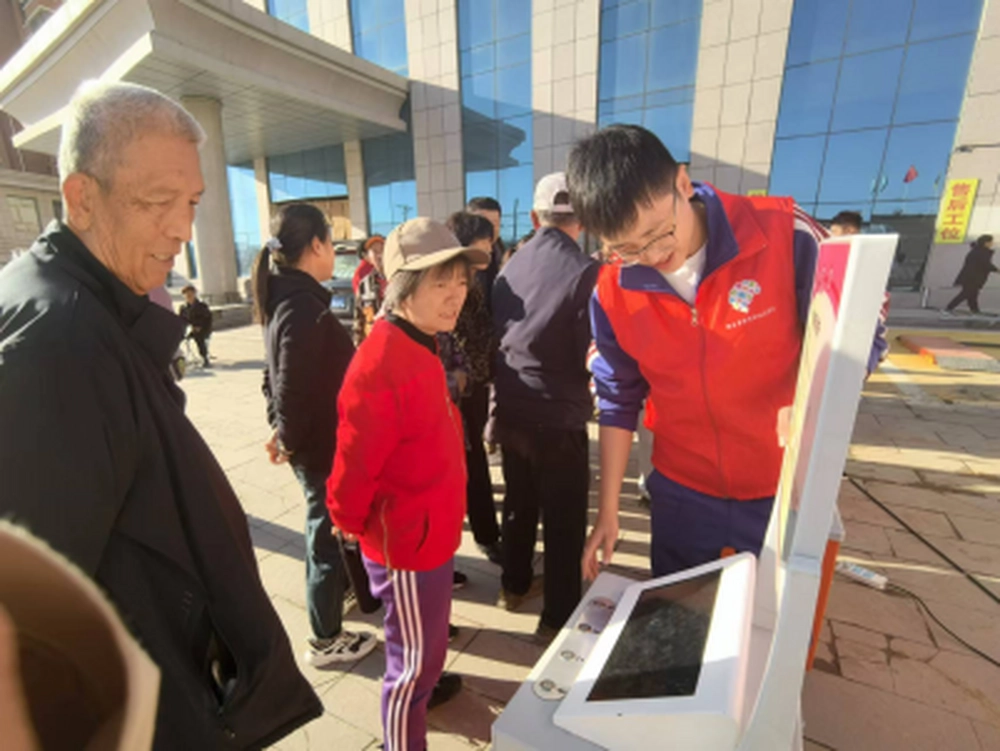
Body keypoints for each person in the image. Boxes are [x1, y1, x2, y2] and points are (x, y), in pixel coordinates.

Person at [0, 81, 321, 748]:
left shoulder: (86, 304)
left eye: (193, 202)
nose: (182, 228)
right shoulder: (61, 341)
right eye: (157, 202)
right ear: (81, 198)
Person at [569, 124, 885, 581]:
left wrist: (814, 401)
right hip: (681, 490)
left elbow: (863, 329)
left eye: (659, 234)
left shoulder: (783, 233)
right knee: (681, 608)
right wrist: (608, 509)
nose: (653, 257)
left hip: (782, 485)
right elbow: (618, 396)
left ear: (682, 183)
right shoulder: (612, 288)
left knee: (771, 613)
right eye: (626, 249)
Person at [327, 218, 489, 751]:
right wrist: (346, 519)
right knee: (412, 668)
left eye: (461, 281)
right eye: (440, 283)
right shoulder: (380, 360)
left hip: (429, 534)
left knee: (428, 656)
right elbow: (353, 461)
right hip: (406, 546)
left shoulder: (421, 341)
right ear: (401, 287)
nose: (456, 295)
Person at [253, 204, 378, 668]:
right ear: (316, 246)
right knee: (323, 539)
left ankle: (337, 600)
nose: (334, 256)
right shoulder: (303, 306)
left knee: (325, 533)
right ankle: (325, 638)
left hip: (313, 443)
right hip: (321, 448)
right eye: (331, 245)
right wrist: (285, 436)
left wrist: (280, 428)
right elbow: (290, 383)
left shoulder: (287, 298)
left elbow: (271, 377)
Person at [492, 172, 600, 642]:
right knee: (564, 519)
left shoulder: (510, 266)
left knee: (518, 502)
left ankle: (512, 585)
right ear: (583, 220)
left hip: (513, 407)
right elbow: (588, 351)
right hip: (559, 415)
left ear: (536, 219)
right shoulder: (586, 272)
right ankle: (557, 616)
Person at [446, 211, 503, 564]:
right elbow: (453, 335)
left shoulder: (475, 275)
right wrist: (461, 374)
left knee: (471, 458)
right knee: (470, 460)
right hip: (461, 386)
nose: (491, 248)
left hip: (474, 382)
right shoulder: (455, 280)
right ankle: (487, 535)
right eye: (485, 241)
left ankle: (482, 530)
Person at [945, 234, 996, 314]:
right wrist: (997, 270)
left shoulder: (977, 250)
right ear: (986, 243)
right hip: (972, 278)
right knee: (966, 294)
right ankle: (949, 308)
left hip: (970, 277)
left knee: (972, 295)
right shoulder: (982, 252)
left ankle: (975, 310)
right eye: (991, 242)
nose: (992, 243)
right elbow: (985, 264)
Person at [354, 235, 388, 344]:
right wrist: (358, 345)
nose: (379, 255)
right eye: (375, 251)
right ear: (368, 257)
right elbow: (359, 319)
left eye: (382, 250)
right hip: (374, 343)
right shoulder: (364, 285)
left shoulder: (401, 281)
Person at [178, 283, 213, 367]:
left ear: (194, 294)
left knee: (199, 338)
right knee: (175, 337)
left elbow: (208, 319)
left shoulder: (202, 306)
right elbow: (181, 320)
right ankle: (180, 358)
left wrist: (200, 327)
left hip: (202, 329)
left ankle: (204, 357)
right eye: (186, 295)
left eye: (190, 294)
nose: (189, 296)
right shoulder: (183, 307)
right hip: (190, 329)